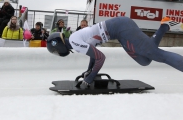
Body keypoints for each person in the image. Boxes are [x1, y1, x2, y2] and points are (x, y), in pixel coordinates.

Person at [46, 16, 183, 87]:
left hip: (121, 29)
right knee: (145, 60)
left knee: (158, 55)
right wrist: (89, 70)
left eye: (56, 52)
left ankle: (164, 26)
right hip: (120, 32)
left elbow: (101, 58)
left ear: (59, 47)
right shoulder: (75, 40)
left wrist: (90, 77)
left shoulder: (75, 43)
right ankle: (164, 26)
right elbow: (94, 55)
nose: (58, 53)